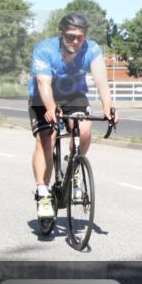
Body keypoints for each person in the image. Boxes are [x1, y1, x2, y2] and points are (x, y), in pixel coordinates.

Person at [29, 13, 118, 219]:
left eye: (80, 36)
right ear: (61, 34)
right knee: (47, 139)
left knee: (85, 129)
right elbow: (43, 83)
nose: (76, 41)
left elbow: (101, 81)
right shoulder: (45, 49)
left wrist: (108, 108)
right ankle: (42, 191)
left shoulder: (92, 49)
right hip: (43, 95)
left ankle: (75, 164)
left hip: (73, 94)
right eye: (70, 36)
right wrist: (50, 107)